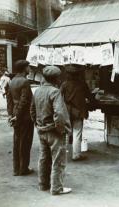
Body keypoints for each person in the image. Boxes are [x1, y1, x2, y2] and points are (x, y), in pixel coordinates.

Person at [30, 66, 72, 195]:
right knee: (58, 160)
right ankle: (56, 188)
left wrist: (38, 125)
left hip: (41, 130)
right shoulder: (55, 92)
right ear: (57, 78)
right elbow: (59, 113)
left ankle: (43, 185)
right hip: (54, 131)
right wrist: (62, 130)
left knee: (44, 158)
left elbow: (32, 110)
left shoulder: (37, 91)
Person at [60, 65, 94, 161]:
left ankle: (63, 154)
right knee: (77, 132)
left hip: (67, 111)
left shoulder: (64, 84)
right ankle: (76, 155)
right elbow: (90, 97)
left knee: (65, 132)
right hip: (78, 111)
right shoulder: (82, 84)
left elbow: (59, 97)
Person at [6, 60, 34, 176]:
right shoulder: (24, 82)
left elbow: (9, 100)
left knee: (17, 142)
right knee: (25, 142)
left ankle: (16, 169)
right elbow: (24, 101)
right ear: (24, 68)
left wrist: (11, 115)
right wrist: (17, 115)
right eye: (28, 67)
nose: (30, 69)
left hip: (15, 115)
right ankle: (24, 169)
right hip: (25, 116)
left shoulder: (12, 81)